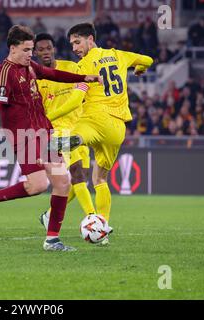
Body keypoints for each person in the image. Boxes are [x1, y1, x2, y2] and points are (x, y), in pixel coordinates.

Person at [0, 25, 102, 252]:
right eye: (26, 49)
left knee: (58, 183)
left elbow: (52, 74)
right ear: (13, 48)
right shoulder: (4, 73)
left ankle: (51, 239)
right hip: (25, 137)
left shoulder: (28, 66)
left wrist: (84, 78)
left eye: (32, 49)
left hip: (44, 132)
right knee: (41, 185)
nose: (31, 54)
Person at [48, 23, 153, 244]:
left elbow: (76, 100)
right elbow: (148, 59)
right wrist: (140, 69)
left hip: (94, 120)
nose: (75, 48)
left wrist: (49, 117)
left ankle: (74, 140)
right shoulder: (119, 55)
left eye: (78, 42)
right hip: (118, 128)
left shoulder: (84, 66)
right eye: (72, 44)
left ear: (90, 39)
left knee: (78, 135)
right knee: (100, 178)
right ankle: (102, 228)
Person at [33, 33, 96, 229]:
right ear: (35, 52)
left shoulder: (70, 68)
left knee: (81, 182)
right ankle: (94, 220)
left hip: (79, 128)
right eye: (41, 49)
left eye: (48, 48)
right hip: (57, 131)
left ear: (54, 49)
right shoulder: (35, 80)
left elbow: (84, 92)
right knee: (77, 173)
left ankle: (49, 215)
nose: (45, 52)